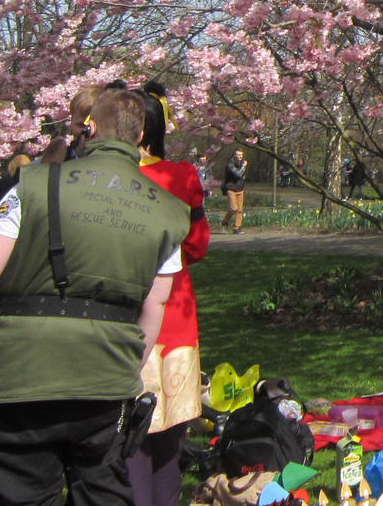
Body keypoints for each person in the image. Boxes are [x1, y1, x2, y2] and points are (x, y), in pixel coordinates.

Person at [0, 87, 190, 506]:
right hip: (103, 375)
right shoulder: (170, 212)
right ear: (139, 138)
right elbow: (155, 303)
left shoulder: (32, 183)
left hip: (16, 372)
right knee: (101, 488)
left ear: (90, 128)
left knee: (14, 489)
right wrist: (128, 367)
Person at [130, 86, 210, 506]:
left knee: (130, 434)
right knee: (170, 437)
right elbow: (197, 245)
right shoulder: (183, 176)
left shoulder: (107, 177)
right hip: (175, 313)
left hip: (124, 313)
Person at [221, 148, 247, 233]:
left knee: (239, 209)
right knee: (233, 208)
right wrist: (244, 166)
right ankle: (224, 222)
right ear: (234, 155)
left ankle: (236, 227)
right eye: (238, 155)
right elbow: (238, 174)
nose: (240, 156)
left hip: (240, 188)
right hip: (231, 188)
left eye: (241, 155)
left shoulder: (242, 163)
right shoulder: (230, 164)